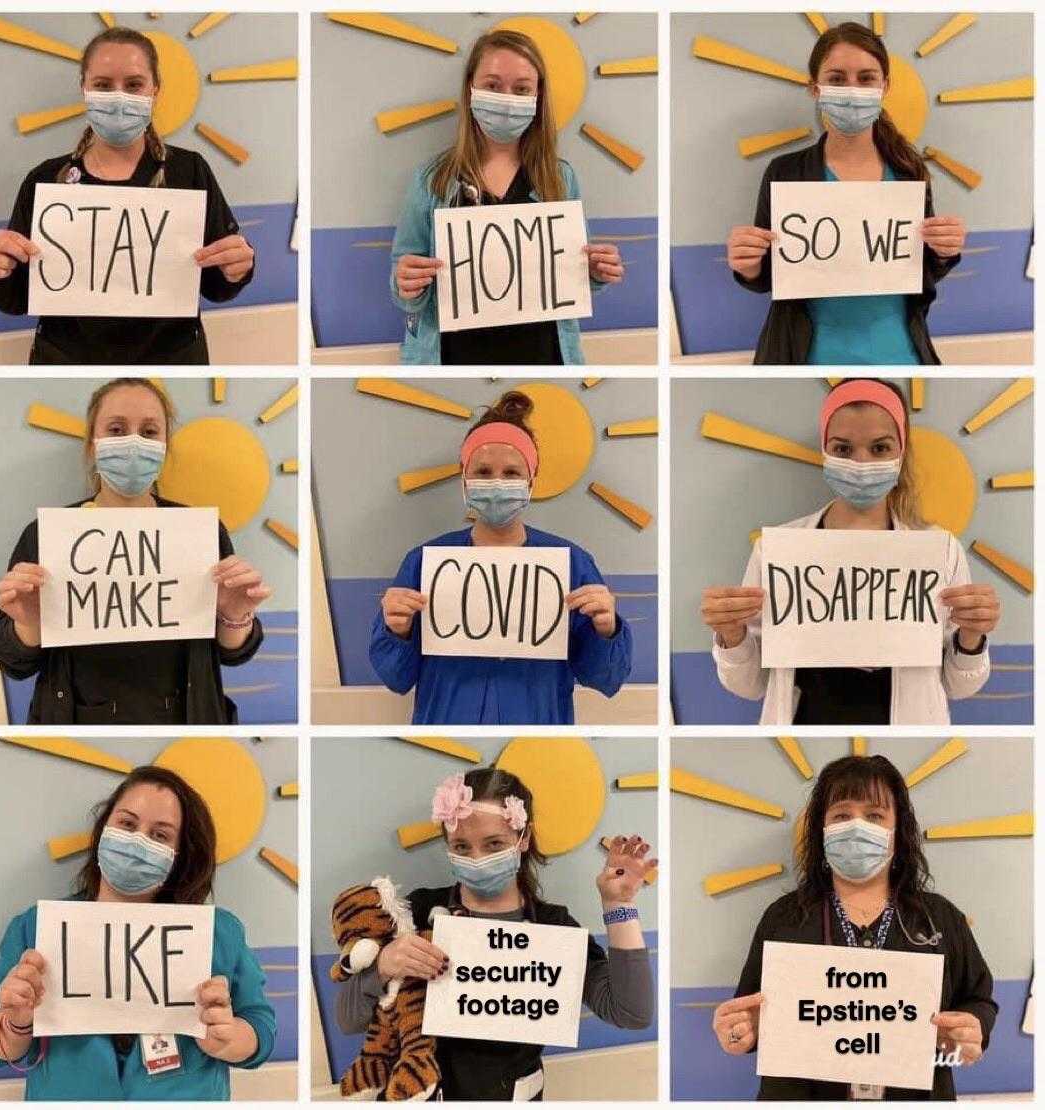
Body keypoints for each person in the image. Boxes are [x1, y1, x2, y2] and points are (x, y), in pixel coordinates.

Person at [336, 768, 656, 1100]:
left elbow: (632, 1013)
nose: (477, 859)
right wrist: (383, 966)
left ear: (524, 838)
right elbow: (348, 1020)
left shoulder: (553, 929)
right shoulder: (415, 914)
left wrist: (618, 905)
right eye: (461, 846)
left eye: (494, 844)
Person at [700, 379, 998, 725]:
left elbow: (958, 686)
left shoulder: (939, 550)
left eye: (880, 448)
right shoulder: (778, 550)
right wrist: (731, 634)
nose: (861, 463)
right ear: (826, 451)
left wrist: (972, 635)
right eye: (842, 449)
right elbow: (750, 685)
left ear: (901, 452)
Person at [0, 765, 277, 1099]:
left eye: (160, 835)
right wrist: (16, 1022)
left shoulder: (219, 933)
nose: (137, 841)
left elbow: (260, 1027)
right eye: (127, 824)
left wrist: (231, 1038)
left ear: (179, 854)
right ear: (104, 829)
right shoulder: (37, 927)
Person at [0, 378, 272, 724]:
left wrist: (235, 615)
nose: (133, 442)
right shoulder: (46, 535)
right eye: (117, 429)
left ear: (165, 446)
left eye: (150, 431)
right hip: (76, 720)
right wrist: (29, 624)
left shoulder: (201, 532)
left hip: (185, 719)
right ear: (93, 444)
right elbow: (12, 662)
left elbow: (234, 653)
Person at [713, 754, 997, 1099]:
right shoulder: (784, 918)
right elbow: (748, 1013)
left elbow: (978, 999)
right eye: (842, 815)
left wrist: (973, 1028)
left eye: (875, 816)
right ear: (822, 828)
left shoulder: (938, 917)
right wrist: (740, 1031)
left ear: (897, 830)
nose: (857, 826)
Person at [0, 26, 255, 364]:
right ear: (84, 88)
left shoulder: (190, 171)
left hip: (173, 359)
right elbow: (16, 300)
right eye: (103, 85)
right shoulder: (46, 181)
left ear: (156, 90)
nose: (119, 96)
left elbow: (216, 286)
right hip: (67, 360)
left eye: (134, 84)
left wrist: (237, 268)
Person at [371, 390, 632, 724]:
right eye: (482, 472)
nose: (496, 483)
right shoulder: (424, 562)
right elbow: (396, 678)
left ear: (531, 482)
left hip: (539, 724)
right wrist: (398, 630)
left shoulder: (571, 564)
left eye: (511, 474)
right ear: (464, 478)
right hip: (447, 721)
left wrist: (607, 630)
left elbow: (605, 678)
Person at [725, 21, 964, 365]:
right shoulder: (785, 172)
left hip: (901, 354)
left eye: (866, 78)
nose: (852, 90)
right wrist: (748, 265)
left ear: (885, 87)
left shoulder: (909, 172)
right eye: (837, 79)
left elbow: (919, 270)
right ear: (815, 88)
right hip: (804, 358)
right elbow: (768, 278)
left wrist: (944, 251)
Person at [390, 28, 623, 365]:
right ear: (471, 87)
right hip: (455, 358)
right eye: (493, 85)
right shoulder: (433, 180)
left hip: (544, 356)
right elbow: (402, 275)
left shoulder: (559, 179)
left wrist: (596, 272)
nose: (507, 98)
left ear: (538, 96)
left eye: (522, 89)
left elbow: (573, 273)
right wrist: (406, 282)